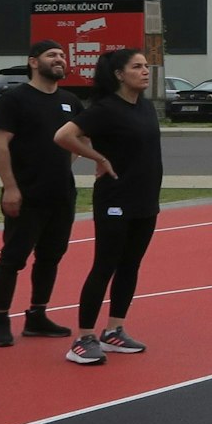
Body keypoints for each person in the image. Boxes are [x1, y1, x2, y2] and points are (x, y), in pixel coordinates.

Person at [55, 48, 164, 365]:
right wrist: (99, 158)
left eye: (146, 66)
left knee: (131, 265)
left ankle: (114, 330)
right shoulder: (104, 109)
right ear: (119, 74)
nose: (145, 71)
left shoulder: (144, 106)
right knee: (105, 265)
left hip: (146, 199)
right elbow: (64, 135)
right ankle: (84, 337)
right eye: (137, 67)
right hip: (115, 200)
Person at [0, 40, 79, 347]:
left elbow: (81, 139)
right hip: (25, 194)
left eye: (62, 55)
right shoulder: (15, 99)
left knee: (51, 257)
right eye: (52, 55)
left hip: (61, 194)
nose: (60, 59)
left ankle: (37, 315)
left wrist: (64, 164)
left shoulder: (70, 100)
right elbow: (0, 144)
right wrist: (11, 187)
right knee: (13, 258)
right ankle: (0, 319)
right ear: (33, 62)